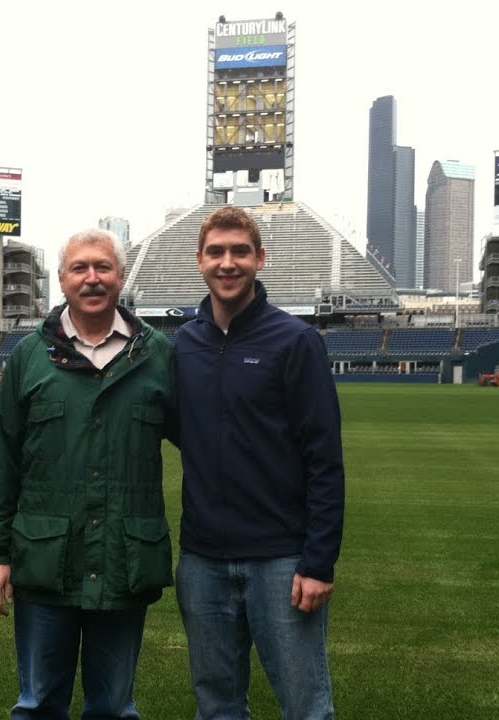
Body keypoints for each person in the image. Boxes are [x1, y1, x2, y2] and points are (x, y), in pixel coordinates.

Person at [0, 228, 176, 719]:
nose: (92, 278)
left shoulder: (159, 356)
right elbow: (1, 460)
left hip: (124, 562)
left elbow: (207, 450)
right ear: (61, 280)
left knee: (112, 707)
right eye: (80, 268)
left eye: (103, 267)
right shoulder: (29, 357)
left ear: (121, 278)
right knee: (39, 703)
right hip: (45, 560)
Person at [173, 205, 346, 719]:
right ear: (199, 261)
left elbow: (324, 461)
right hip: (202, 561)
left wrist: (318, 562)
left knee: (306, 706)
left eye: (240, 252)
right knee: (218, 706)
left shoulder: (295, 341)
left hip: (281, 560)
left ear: (260, 259)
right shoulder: (182, 346)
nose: (228, 263)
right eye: (216, 252)